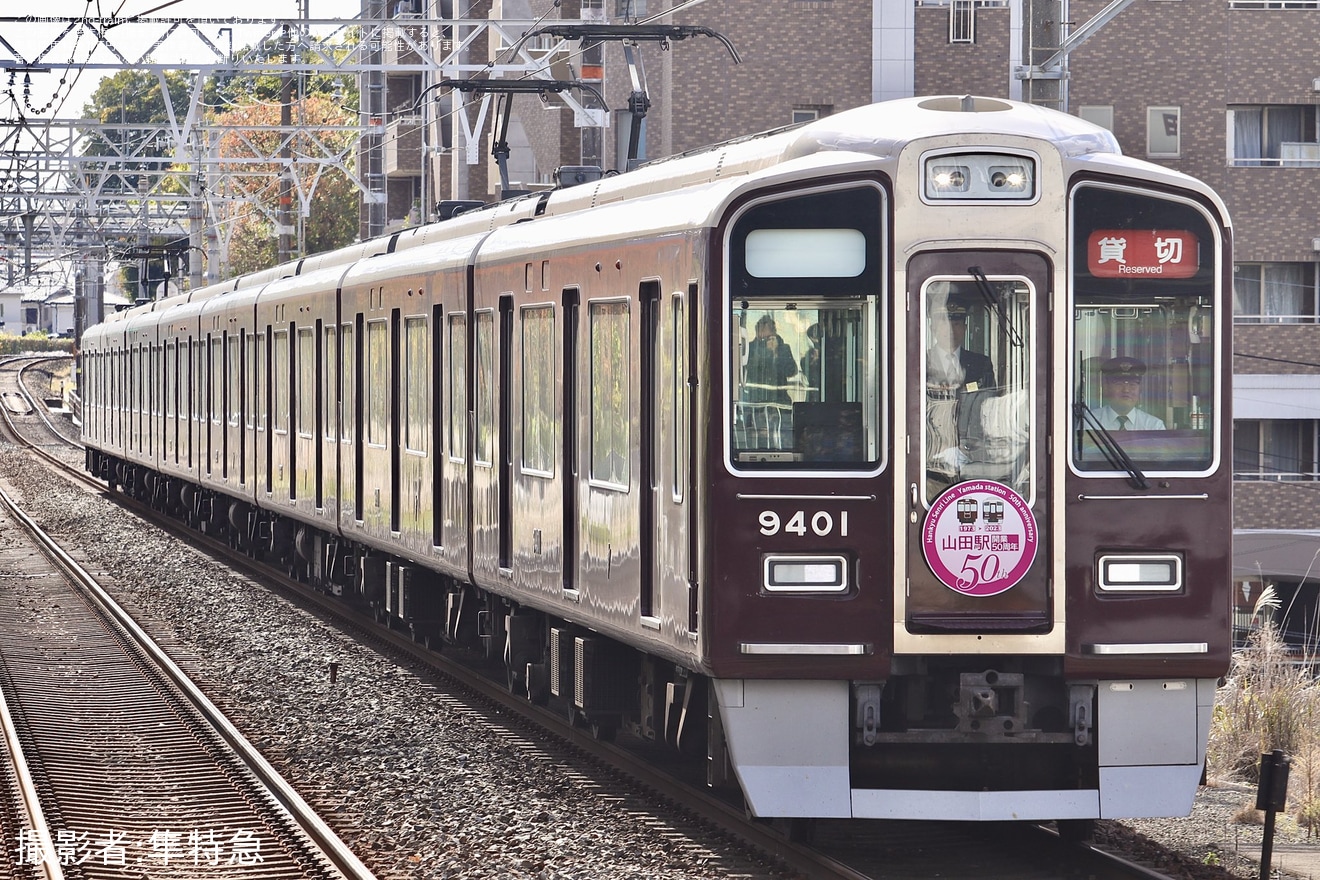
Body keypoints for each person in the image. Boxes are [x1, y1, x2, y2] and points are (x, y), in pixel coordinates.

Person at [1092, 356, 1166, 430]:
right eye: (1119, 384)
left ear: (1140, 389)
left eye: (1132, 384)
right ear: (1106, 388)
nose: (1126, 390)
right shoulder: (1091, 422)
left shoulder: (1153, 426)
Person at [743, 314, 797, 405]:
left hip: (780, 398)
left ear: (774, 333)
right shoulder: (750, 348)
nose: (765, 341)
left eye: (768, 337)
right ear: (757, 332)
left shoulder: (783, 348)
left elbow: (791, 371)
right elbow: (748, 372)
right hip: (756, 399)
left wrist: (776, 353)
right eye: (762, 338)